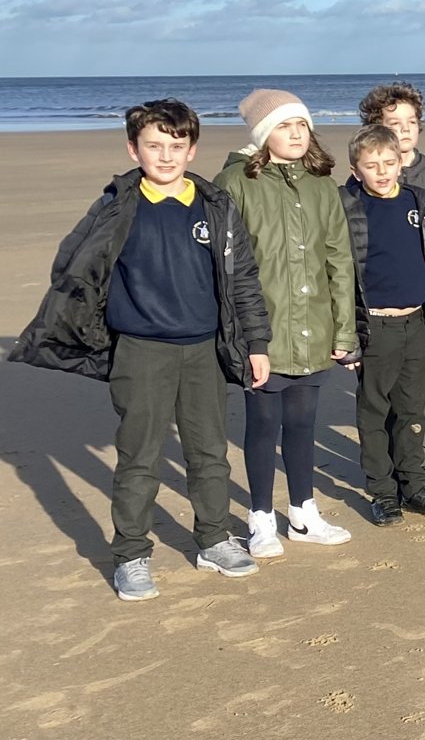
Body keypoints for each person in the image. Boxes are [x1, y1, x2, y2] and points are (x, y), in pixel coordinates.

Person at [9, 100, 269, 599]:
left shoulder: (215, 205)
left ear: (192, 150)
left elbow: (244, 281)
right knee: (140, 457)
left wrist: (255, 342)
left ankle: (214, 539)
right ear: (134, 148)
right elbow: (75, 268)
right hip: (141, 350)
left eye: (176, 146)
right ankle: (131, 553)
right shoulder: (117, 205)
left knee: (209, 453)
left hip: (204, 350)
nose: (165, 156)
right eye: (154, 146)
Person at [217, 89, 357, 554]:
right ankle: (259, 518)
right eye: (283, 126)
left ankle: (302, 512)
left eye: (301, 125)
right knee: (263, 424)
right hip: (264, 333)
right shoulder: (236, 182)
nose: (296, 134)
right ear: (262, 134)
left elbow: (339, 260)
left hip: (314, 326)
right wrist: (240, 333)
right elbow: (227, 265)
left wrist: (343, 330)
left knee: (302, 423)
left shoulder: (321, 184)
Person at [339, 125, 425, 526]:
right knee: (374, 412)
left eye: (389, 163)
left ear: (400, 162)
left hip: (416, 323)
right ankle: (382, 492)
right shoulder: (347, 205)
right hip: (375, 326)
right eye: (371, 166)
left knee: (412, 410)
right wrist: (347, 337)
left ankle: (414, 485)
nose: (382, 171)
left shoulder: (419, 203)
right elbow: (336, 276)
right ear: (357, 171)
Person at [359, 81, 425, 494]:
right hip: (380, 314)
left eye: (410, 122)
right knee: (380, 396)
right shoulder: (359, 186)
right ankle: (387, 469)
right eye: (392, 123)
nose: (403, 130)